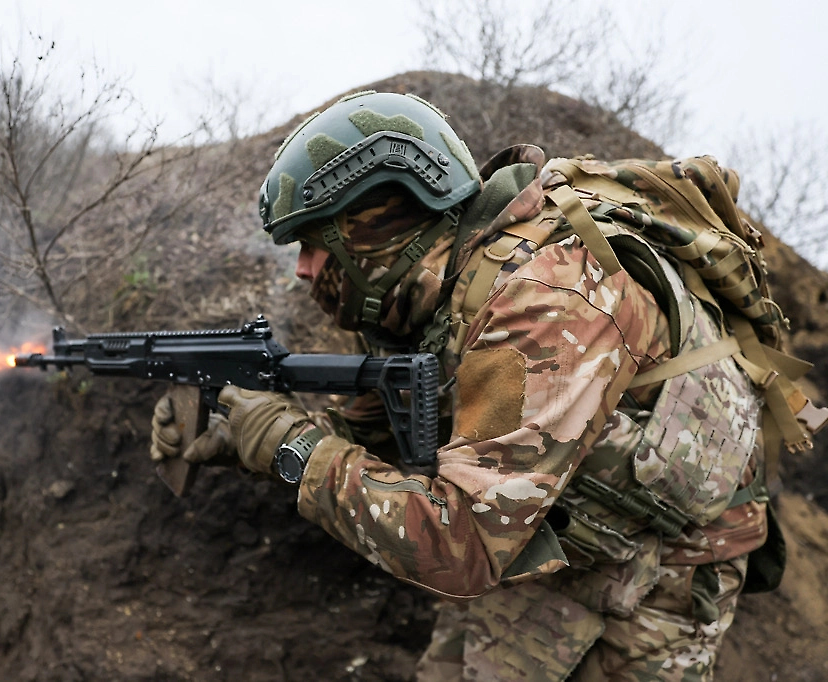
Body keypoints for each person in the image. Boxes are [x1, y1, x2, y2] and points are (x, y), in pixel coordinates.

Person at [150, 91, 777, 680]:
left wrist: (294, 450)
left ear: (380, 227)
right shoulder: (428, 290)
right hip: (541, 524)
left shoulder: (546, 307)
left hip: (658, 562)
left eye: (316, 243)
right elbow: (378, 432)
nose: (303, 269)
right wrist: (240, 436)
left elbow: (462, 549)